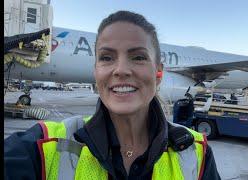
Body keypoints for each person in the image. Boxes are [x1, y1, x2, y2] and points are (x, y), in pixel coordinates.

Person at [4, 10, 221, 180]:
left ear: (159, 72)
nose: (121, 70)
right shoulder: (45, 145)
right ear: (95, 70)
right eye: (107, 58)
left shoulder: (196, 151)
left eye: (138, 57)